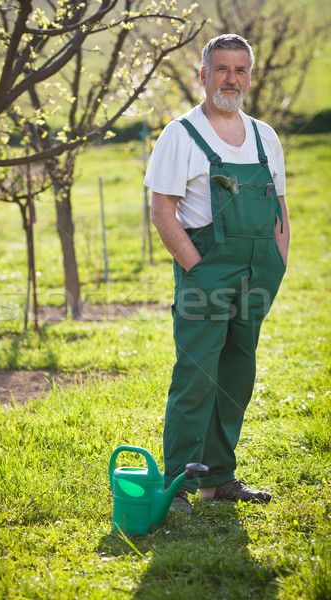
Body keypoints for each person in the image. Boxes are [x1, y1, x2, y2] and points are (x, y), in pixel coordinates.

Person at [143, 34, 290, 514]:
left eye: (240, 69)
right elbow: (163, 211)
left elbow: (280, 209)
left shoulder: (265, 135)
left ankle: (219, 480)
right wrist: (196, 269)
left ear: (250, 75)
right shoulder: (180, 134)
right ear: (203, 74)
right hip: (206, 268)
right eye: (221, 69)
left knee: (235, 375)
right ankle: (180, 485)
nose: (232, 78)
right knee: (196, 376)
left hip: (257, 271)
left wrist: (278, 263)